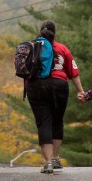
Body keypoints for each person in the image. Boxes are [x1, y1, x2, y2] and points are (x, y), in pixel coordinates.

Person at [26, 20, 84, 173]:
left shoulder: (32, 46)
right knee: (57, 121)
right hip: (59, 85)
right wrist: (80, 91)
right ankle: (56, 158)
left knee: (43, 122)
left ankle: (48, 162)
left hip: (36, 86)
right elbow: (73, 72)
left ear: (40, 31)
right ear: (54, 32)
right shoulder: (62, 48)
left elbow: (22, 68)